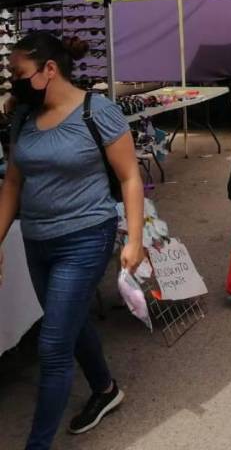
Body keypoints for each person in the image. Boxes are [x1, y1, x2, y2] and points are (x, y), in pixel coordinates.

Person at [0, 32, 144, 449]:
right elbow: (13, 181)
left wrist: (133, 240)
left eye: (18, 72)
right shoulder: (24, 116)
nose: (13, 81)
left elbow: (130, 177)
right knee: (71, 320)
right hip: (37, 240)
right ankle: (105, 389)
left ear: (49, 69)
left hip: (85, 237)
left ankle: (37, 445)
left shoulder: (97, 112)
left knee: (53, 346)